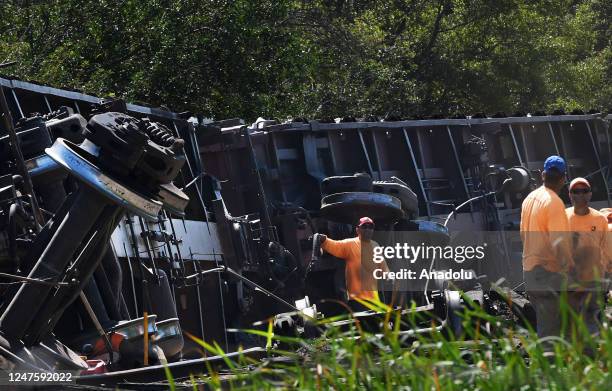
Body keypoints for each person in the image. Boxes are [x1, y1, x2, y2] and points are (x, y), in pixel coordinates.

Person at [520, 155, 574, 339]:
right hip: (548, 274)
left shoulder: (530, 199)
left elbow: (523, 235)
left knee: (546, 328)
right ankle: (548, 366)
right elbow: (559, 244)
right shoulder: (554, 203)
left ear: (543, 174)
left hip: (530, 271)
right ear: (564, 177)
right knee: (553, 333)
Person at [565, 177, 610, 335]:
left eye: (584, 191)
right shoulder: (563, 218)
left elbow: (606, 249)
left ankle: (590, 355)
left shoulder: (600, 219)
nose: (580, 195)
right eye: (576, 191)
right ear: (570, 195)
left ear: (590, 194)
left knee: (592, 321)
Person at [314, 217, 389, 310]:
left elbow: (383, 267)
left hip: (374, 299)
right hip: (357, 301)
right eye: (364, 226)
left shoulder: (375, 245)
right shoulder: (350, 244)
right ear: (357, 229)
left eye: (371, 227)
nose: (368, 229)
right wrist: (324, 240)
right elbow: (334, 245)